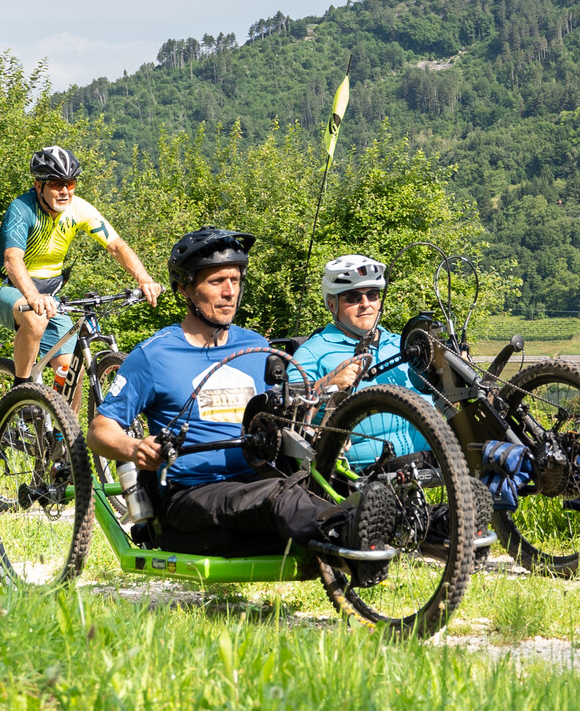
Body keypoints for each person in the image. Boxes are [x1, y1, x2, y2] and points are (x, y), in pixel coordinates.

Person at [89, 227, 384, 551]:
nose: (230, 292)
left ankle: (409, 524)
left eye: (235, 280)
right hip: (190, 495)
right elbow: (99, 431)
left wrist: (327, 384)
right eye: (216, 282)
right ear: (185, 289)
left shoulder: (255, 345)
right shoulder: (154, 356)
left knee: (320, 485)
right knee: (280, 498)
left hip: (257, 482)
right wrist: (134, 449)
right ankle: (351, 533)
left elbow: (284, 406)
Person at [0, 145, 162, 385]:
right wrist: (33, 296)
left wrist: (144, 279)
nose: (65, 191)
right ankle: (21, 389)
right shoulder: (21, 209)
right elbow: (12, 259)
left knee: (69, 371)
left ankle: (63, 422)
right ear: (39, 185)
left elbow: (117, 246)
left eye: (71, 183)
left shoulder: (79, 209)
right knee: (35, 318)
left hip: (49, 296)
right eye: (57, 184)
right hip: (4, 286)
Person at [293, 254, 432, 470]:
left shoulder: (405, 344)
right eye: (352, 297)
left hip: (435, 468)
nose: (365, 304)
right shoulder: (312, 352)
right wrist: (331, 384)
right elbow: (289, 416)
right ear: (332, 304)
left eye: (372, 295)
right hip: (362, 478)